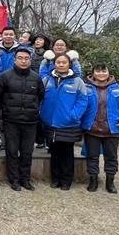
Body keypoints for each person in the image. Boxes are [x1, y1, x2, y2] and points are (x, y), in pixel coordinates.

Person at [82, 64, 119, 194]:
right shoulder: (86, 88)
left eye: (104, 71)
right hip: (92, 129)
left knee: (111, 157)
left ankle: (110, 182)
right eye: (98, 71)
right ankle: (93, 181)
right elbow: (79, 104)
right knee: (92, 156)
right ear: (93, 73)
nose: (101, 73)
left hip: (112, 130)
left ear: (108, 73)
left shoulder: (118, 89)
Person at [0, 47, 44, 191]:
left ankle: (25, 179)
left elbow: (40, 96)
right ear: (14, 60)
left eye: (26, 58)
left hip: (30, 121)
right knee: (12, 151)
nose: (23, 61)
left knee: (27, 152)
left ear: (30, 60)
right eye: (20, 58)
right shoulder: (5, 77)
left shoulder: (36, 78)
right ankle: (14, 179)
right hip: (11, 120)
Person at [40, 53, 89, 190]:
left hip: (68, 123)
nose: (61, 64)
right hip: (50, 123)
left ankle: (66, 180)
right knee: (54, 152)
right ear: (54, 64)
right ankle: (55, 179)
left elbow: (83, 101)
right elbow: (40, 98)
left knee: (67, 153)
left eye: (64, 62)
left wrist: (74, 115)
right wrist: (41, 113)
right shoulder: (47, 80)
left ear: (69, 64)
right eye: (58, 62)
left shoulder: (77, 81)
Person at [30, 34, 51, 149]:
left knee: (45, 113)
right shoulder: (30, 54)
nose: (38, 41)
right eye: (36, 40)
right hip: (31, 84)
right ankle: (38, 139)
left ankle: (47, 140)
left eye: (40, 40)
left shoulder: (49, 56)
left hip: (45, 85)